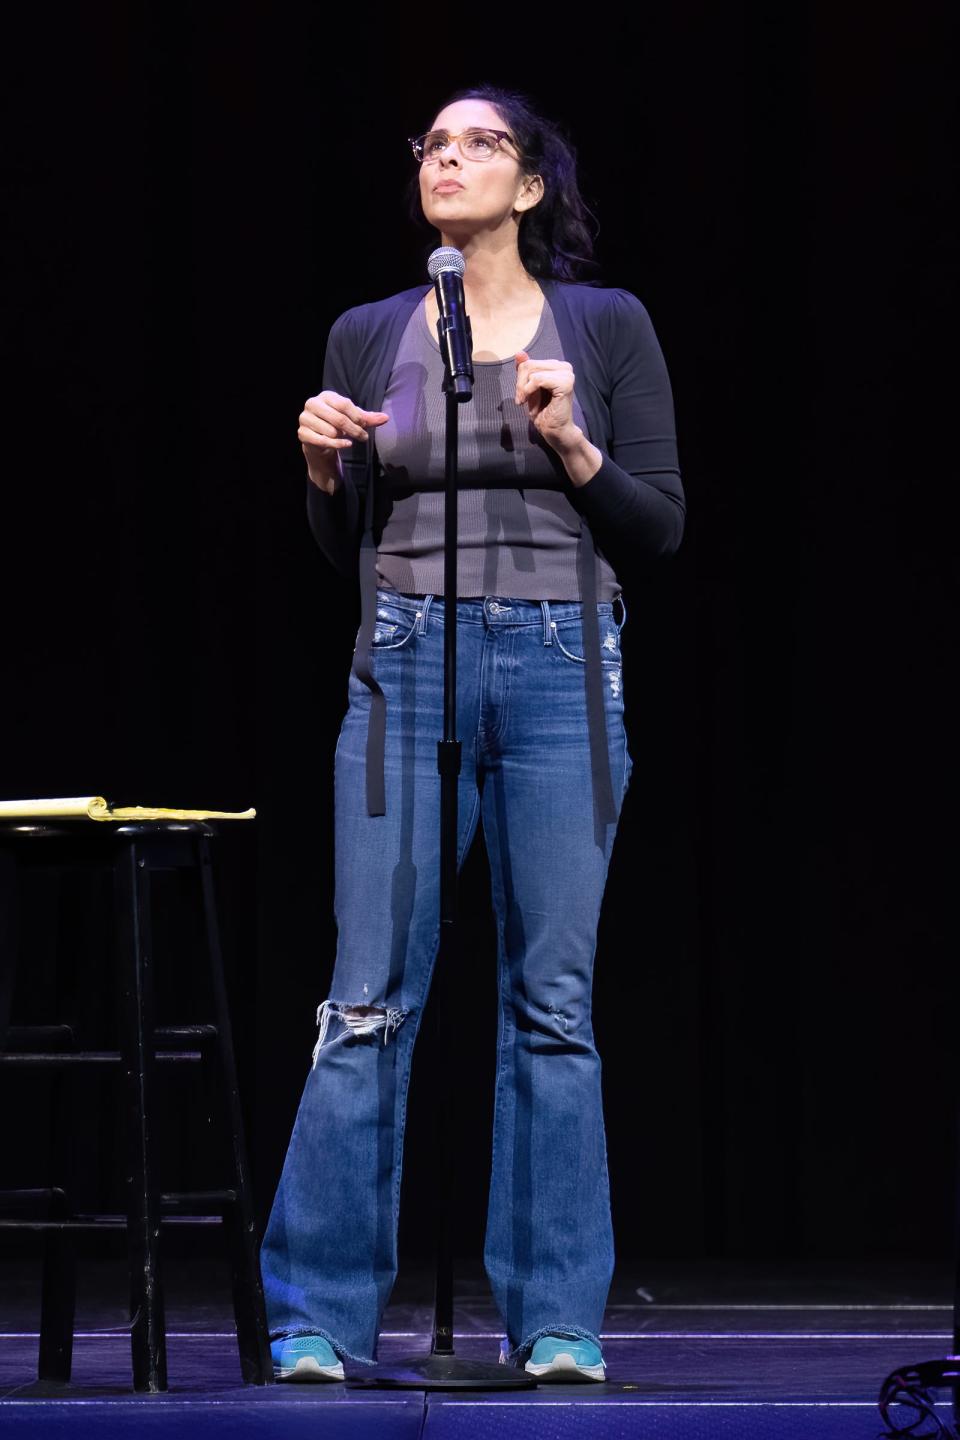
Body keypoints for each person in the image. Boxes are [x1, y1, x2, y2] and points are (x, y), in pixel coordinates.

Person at [259, 84, 685, 1385]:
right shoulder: (369, 332)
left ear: (532, 184)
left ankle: (555, 1314)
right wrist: (327, 474)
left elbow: (660, 525)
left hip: (564, 663)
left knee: (550, 1003)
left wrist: (568, 439)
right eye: (433, 146)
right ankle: (320, 1316)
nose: (449, 159)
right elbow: (345, 551)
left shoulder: (605, 326)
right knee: (366, 999)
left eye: (479, 142)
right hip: (403, 662)